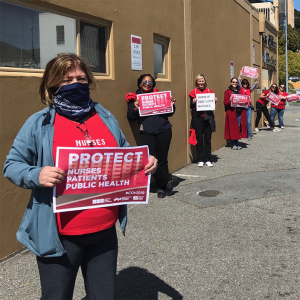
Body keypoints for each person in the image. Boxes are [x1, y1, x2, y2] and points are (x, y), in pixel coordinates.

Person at [3, 54, 157, 300]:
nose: (76, 83)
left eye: (81, 78)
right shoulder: (39, 123)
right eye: (67, 79)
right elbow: (11, 165)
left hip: (104, 232)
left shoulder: (103, 115)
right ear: (52, 84)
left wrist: (144, 160)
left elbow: (125, 149)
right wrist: (37, 174)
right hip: (60, 237)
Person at [127, 74, 176, 198]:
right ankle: (166, 182)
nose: (147, 84)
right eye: (144, 81)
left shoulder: (159, 96)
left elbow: (170, 113)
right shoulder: (134, 98)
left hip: (164, 130)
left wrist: (172, 104)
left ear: (153, 84)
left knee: (163, 159)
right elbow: (131, 118)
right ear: (140, 83)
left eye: (150, 82)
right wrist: (135, 108)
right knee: (148, 160)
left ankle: (161, 188)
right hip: (146, 132)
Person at [189, 74, 217, 167]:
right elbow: (191, 106)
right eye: (199, 81)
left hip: (208, 117)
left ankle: (207, 158)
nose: (201, 83)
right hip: (197, 118)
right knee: (199, 139)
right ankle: (200, 158)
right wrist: (193, 102)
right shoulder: (193, 92)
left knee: (208, 139)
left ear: (205, 82)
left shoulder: (210, 91)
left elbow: (212, 105)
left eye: (202, 81)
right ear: (197, 82)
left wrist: (214, 100)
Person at [224, 77, 247, 150]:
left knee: (238, 127)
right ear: (231, 82)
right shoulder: (227, 91)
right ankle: (233, 143)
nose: (234, 83)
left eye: (236, 82)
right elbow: (225, 102)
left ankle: (237, 142)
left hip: (239, 111)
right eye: (233, 82)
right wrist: (230, 100)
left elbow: (243, 99)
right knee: (233, 127)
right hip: (232, 112)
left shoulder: (240, 91)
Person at [238, 72, 258, 141]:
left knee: (248, 121)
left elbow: (255, 85)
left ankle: (249, 134)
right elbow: (239, 81)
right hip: (241, 107)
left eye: (246, 83)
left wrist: (256, 77)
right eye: (244, 83)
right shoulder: (240, 88)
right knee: (240, 121)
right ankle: (239, 134)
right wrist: (240, 74)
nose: (245, 84)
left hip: (248, 107)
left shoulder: (250, 89)